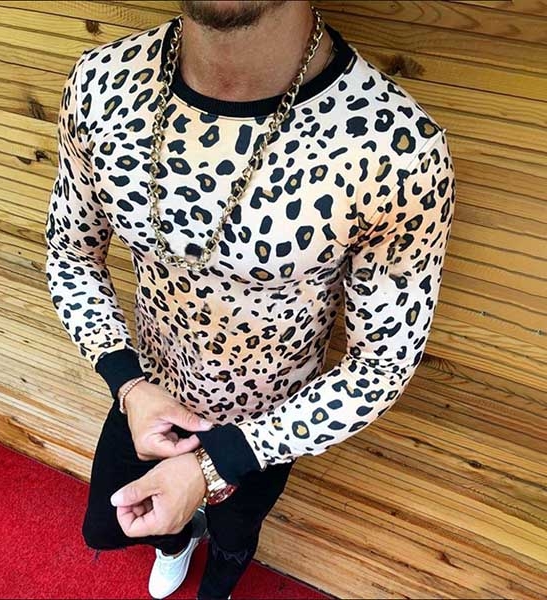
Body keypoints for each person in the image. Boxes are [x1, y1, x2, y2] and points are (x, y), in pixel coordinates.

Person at [44, 1, 456, 599]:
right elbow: (70, 253)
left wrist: (221, 461)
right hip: (148, 391)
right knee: (118, 524)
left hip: (268, 427)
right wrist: (127, 383)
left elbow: (383, 362)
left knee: (236, 536)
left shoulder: (398, 149)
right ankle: (176, 545)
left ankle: (220, 580)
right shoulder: (102, 84)